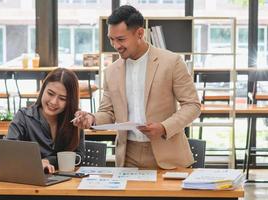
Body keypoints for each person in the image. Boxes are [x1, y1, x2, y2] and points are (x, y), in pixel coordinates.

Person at [74, 5, 200, 169]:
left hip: (167, 154)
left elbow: (192, 105)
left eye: (121, 39)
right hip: (128, 156)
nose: (115, 45)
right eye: (111, 39)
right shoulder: (111, 71)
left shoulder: (172, 62)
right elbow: (108, 112)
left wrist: (163, 127)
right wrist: (92, 119)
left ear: (140, 33)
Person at [7, 68, 85, 173]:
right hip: (31, 183)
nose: (54, 102)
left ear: (70, 101)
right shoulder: (23, 117)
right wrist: (36, 163)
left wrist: (48, 160)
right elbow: (9, 152)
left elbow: (78, 157)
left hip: (66, 184)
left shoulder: (74, 120)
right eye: (50, 93)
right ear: (43, 89)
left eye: (62, 98)